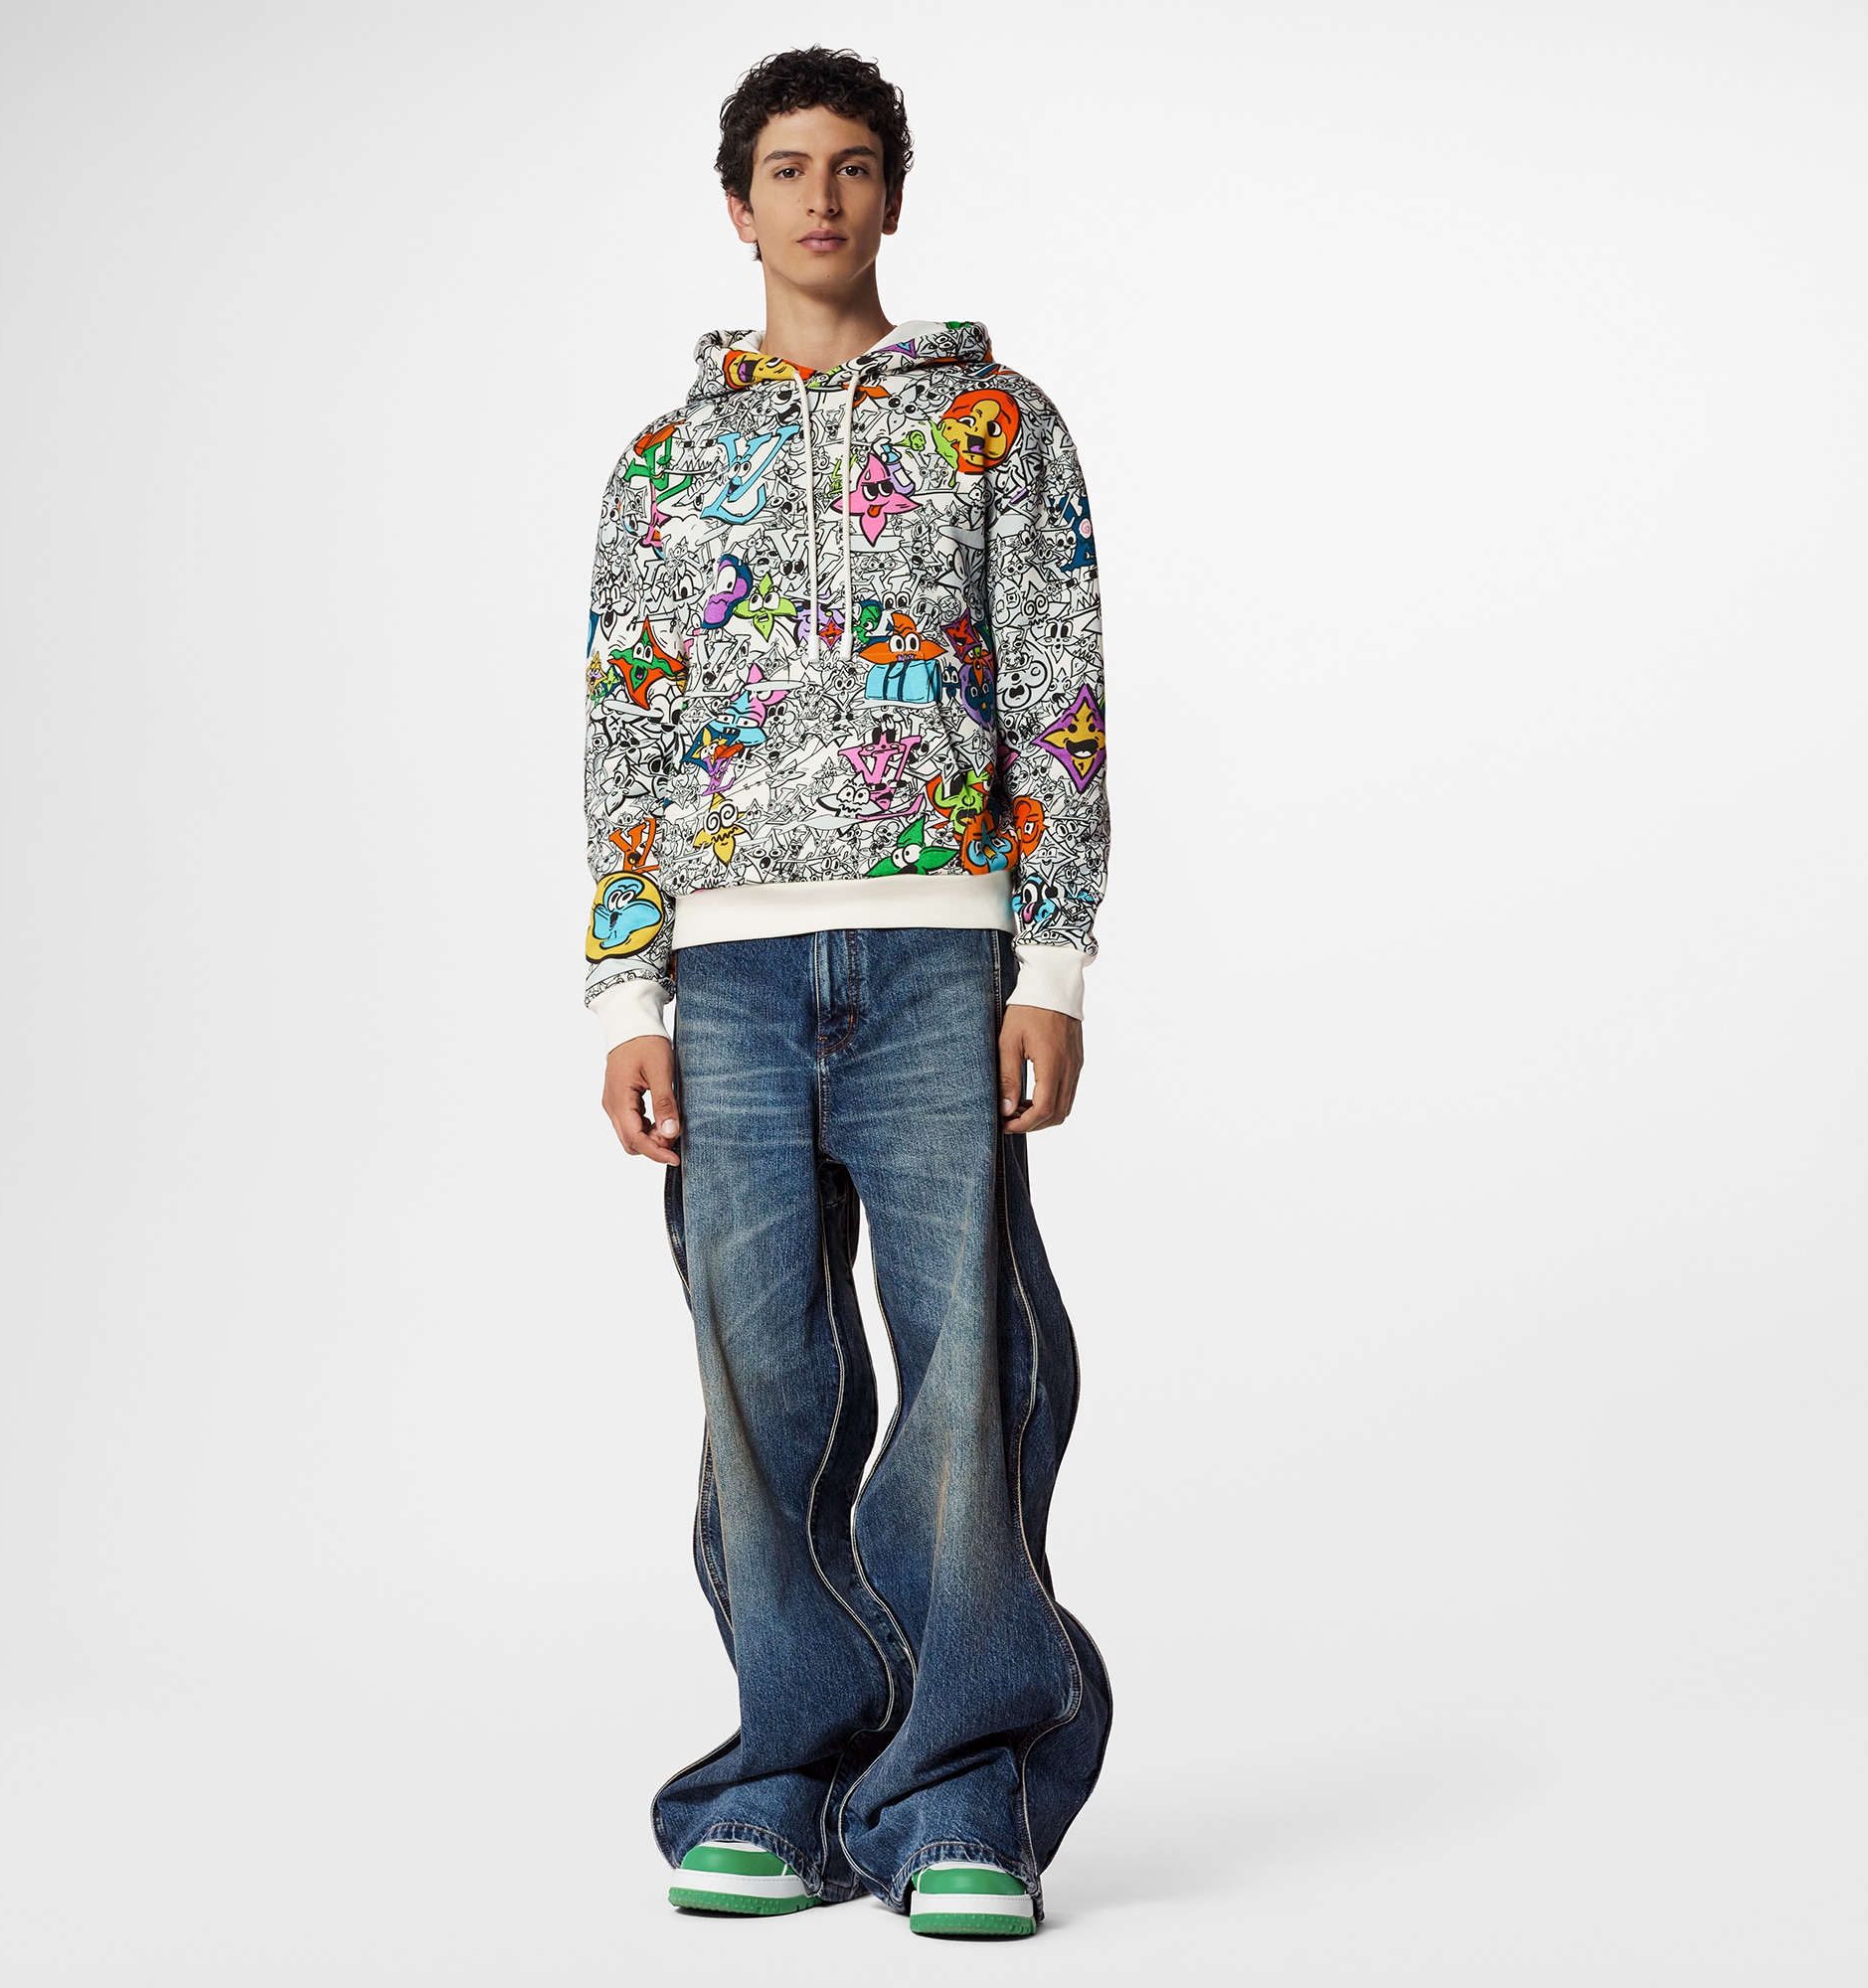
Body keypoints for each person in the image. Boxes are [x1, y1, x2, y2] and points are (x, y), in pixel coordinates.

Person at [582, 46, 1112, 1940]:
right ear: (738, 205)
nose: (822, 198)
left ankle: (963, 1786)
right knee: (763, 1384)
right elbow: (628, 726)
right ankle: (792, 1776)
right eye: (789, 169)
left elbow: (1057, 694)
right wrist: (625, 998)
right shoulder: (664, 466)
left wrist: (1050, 959)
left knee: (967, 1372)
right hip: (724, 972)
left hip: (937, 952)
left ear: (892, 193)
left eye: (855, 166)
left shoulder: (994, 425)